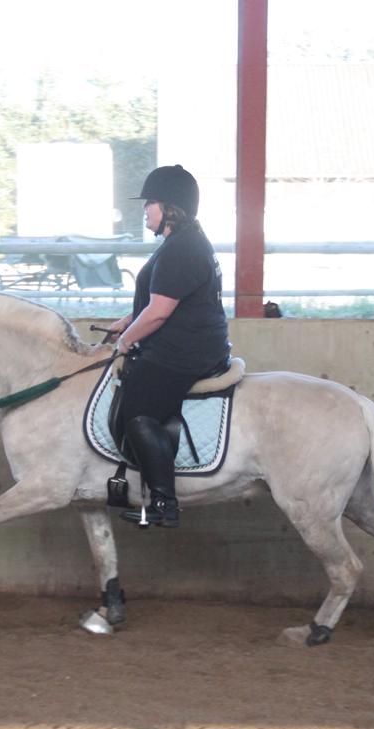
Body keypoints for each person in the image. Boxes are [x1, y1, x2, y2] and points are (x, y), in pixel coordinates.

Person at [103, 164, 230, 528]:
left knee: (137, 407)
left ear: (171, 207)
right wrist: (128, 322)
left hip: (186, 351)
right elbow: (159, 301)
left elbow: (159, 313)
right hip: (191, 342)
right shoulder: (181, 243)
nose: (145, 210)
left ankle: (163, 502)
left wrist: (126, 342)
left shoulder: (181, 249)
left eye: (151, 203)